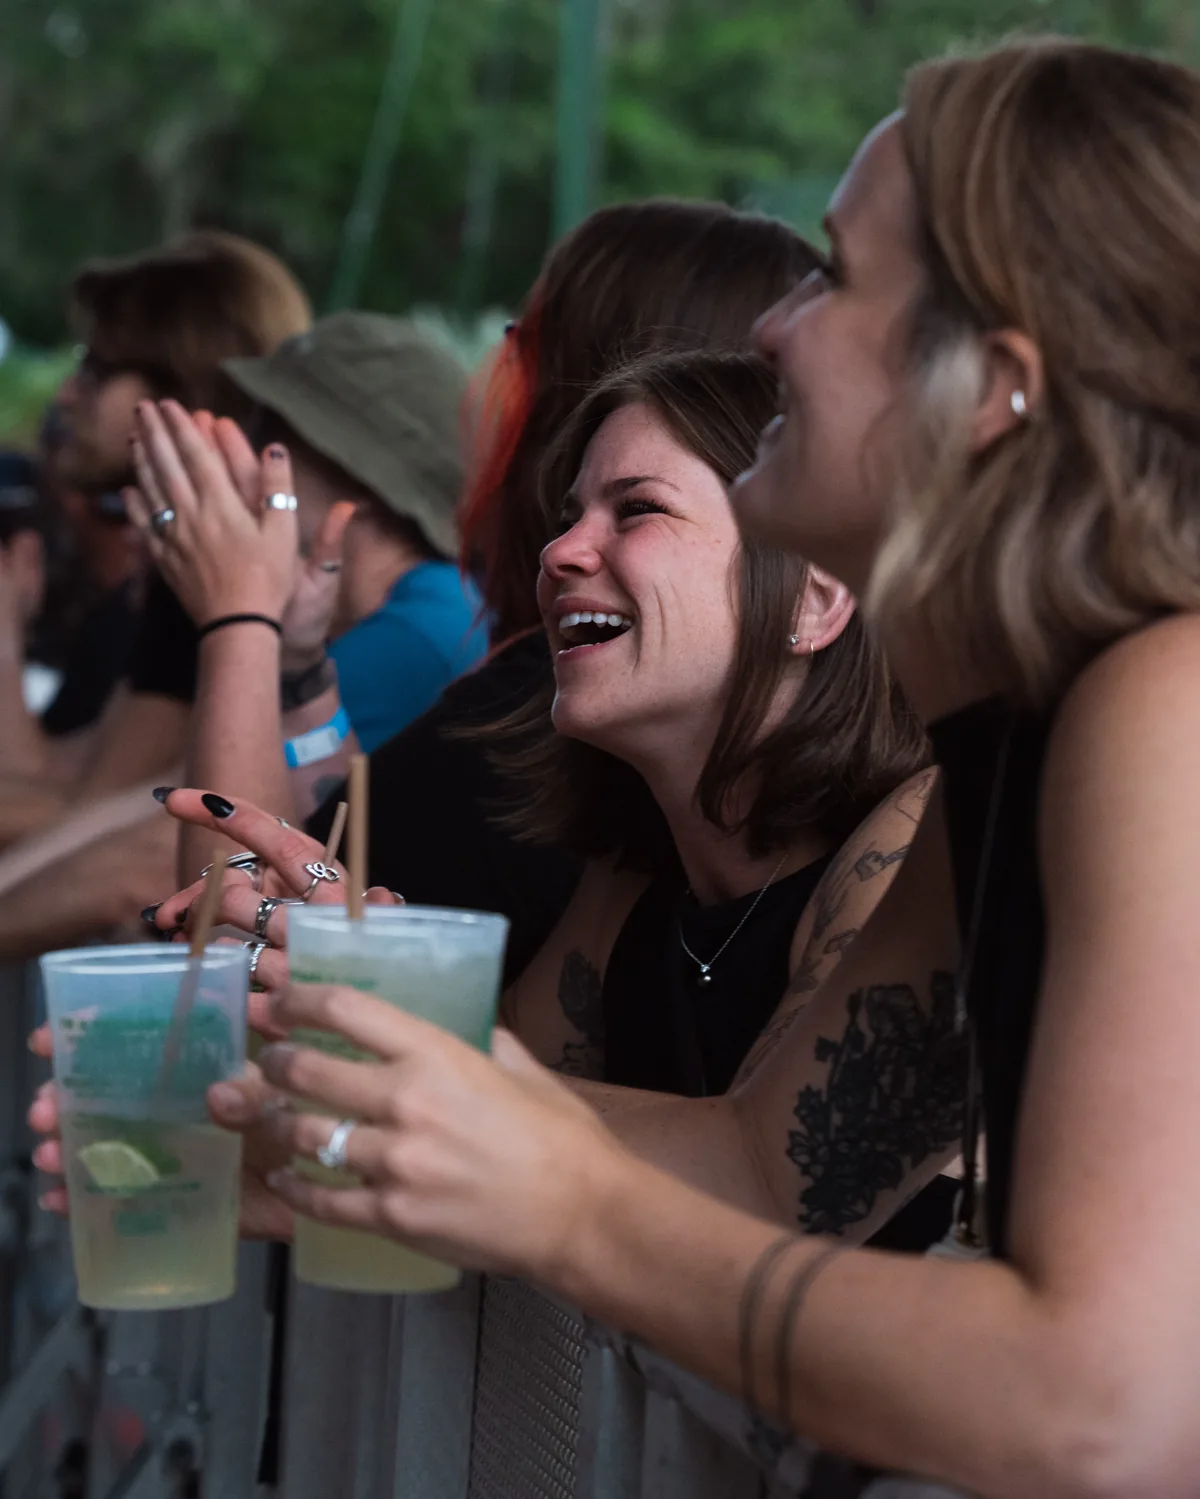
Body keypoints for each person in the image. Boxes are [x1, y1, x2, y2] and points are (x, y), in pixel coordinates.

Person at [124, 36, 1200, 1497]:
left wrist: (560, 1206)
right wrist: (396, 1096)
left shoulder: (1166, 693)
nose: (773, 329)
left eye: (829, 274)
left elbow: (1105, 1407)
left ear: (993, 386)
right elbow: (774, 1166)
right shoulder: (1019, 728)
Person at [76, 348, 942, 1252]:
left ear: (814, 593)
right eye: (569, 517)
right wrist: (356, 991)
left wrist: (420, 1043)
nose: (560, 551)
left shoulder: (914, 840)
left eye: (638, 509)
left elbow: (773, 1179)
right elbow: (467, 1127)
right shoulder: (628, 883)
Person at [166, 200, 829, 986]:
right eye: (572, 513)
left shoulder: (578, 727)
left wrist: (239, 615)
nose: (490, 380)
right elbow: (341, 864)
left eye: (523, 340)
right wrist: (297, 667)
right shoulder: (617, 795)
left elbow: (220, 953)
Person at [124, 312, 487, 865]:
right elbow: (159, 802)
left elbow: (179, 849)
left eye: (272, 437)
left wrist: (234, 615)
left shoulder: (419, 634)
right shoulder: (424, 605)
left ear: (363, 480)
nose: (245, 450)